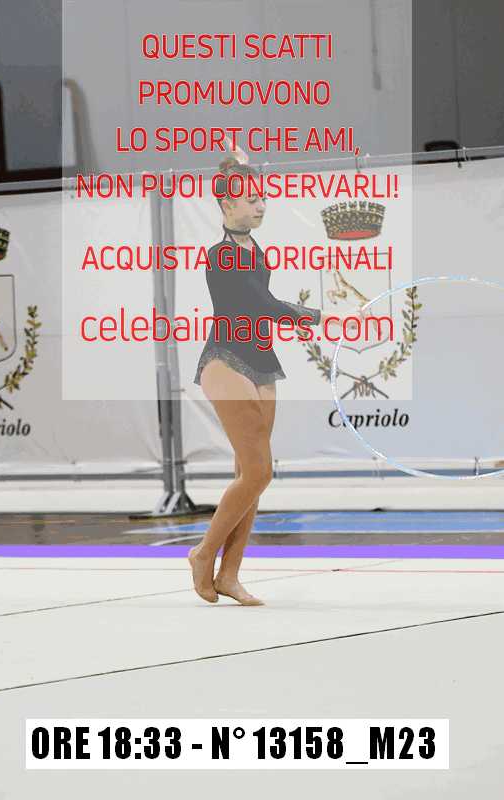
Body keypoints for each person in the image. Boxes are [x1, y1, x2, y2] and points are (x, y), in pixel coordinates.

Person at [188, 141, 364, 605]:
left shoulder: (252, 246)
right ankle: (203, 554)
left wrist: (241, 166)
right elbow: (258, 302)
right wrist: (319, 317)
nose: (261, 205)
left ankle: (229, 573)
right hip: (226, 359)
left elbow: (258, 307)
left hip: (261, 359)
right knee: (259, 472)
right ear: (227, 205)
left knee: (249, 474)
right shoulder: (221, 254)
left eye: (263, 198)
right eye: (251, 200)